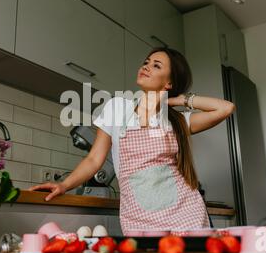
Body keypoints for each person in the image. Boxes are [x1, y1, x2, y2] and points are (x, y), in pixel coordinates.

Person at [29, 47, 235, 236]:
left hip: (186, 214)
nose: (146, 66)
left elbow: (226, 108)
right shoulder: (117, 107)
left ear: (169, 82)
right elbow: (94, 159)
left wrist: (177, 100)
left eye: (156, 65)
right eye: (146, 62)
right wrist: (64, 185)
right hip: (139, 219)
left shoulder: (178, 121)